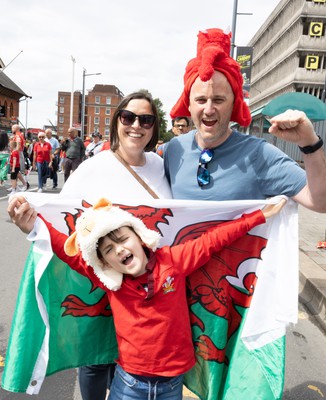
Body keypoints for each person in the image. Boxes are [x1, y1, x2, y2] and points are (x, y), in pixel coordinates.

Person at [7, 195, 285, 400]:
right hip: (128, 384)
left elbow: (213, 240)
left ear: (139, 237)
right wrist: (33, 223)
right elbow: (64, 250)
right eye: (107, 249)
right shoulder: (109, 280)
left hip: (172, 385)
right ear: (103, 262)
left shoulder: (173, 261)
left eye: (122, 239)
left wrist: (260, 216)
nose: (118, 250)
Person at [55, 91, 171, 400]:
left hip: (145, 287)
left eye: (146, 119)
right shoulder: (93, 167)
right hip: (101, 281)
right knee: (96, 357)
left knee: (130, 355)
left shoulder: (160, 166)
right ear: (117, 122)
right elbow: (62, 215)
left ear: (154, 127)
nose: (136, 125)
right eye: (128, 117)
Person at [163, 28, 326, 213]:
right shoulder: (173, 150)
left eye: (218, 100)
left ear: (234, 104)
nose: (208, 110)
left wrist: (310, 143)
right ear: (189, 105)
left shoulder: (259, 154)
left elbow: (320, 202)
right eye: (201, 100)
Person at [11, 124, 29, 190]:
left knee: (17, 170)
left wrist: (15, 153)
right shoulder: (19, 135)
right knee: (16, 171)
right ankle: (15, 185)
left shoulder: (18, 135)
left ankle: (24, 184)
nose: (11, 129)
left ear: (16, 129)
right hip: (18, 153)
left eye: (12, 128)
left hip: (17, 154)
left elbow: (18, 145)